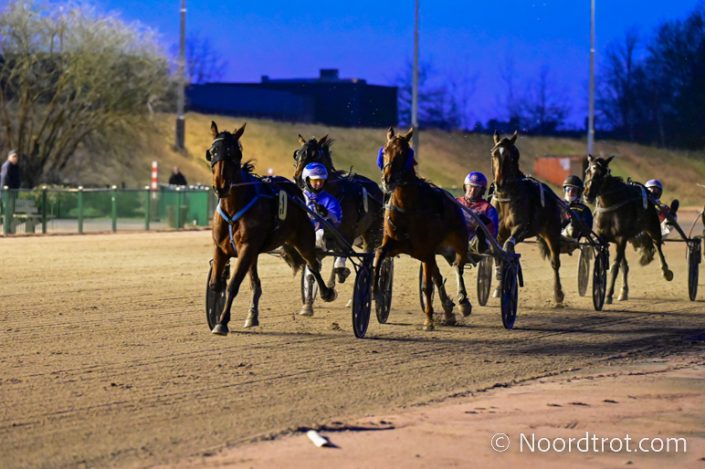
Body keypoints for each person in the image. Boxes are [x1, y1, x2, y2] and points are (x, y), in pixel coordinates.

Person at [300, 162, 345, 316]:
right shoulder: (299, 196)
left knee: (314, 251)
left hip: (321, 237)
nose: (318, 184)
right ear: (307, 180)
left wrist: (327, 214)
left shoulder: (330, 200)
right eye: (314, 180)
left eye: (321, 181)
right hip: (300, 236)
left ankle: (308, 302)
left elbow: (337, 220)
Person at [456, 171, 498, 253]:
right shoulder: (456, 201)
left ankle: (479, 243)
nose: (472, 191)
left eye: (476, 188)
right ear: (465, 187)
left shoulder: (488, 208)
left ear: (482, 191)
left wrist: (486, 223)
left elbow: (494, 232)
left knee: (482, 223)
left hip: (474, 243)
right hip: (455, 238)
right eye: (470, 187)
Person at [561, 175, 593, 240]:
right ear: (565, 190)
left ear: (578, 193)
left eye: (573, 190)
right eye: (568, 189)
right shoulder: (558, 204)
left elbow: (587, 229)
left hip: (572, 239)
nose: (570, 192)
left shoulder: (584, 209)